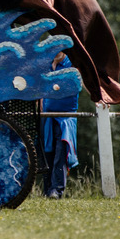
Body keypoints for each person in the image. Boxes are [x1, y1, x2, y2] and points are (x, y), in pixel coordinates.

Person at [41, 52, 79, 199]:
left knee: (61, 153)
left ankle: (56, 190)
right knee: (47, 154)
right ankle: (47, 190)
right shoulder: (45, 63)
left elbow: (87, 80)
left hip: (65, 117)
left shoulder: (73, 63)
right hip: (47, 115)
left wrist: (98, 98)